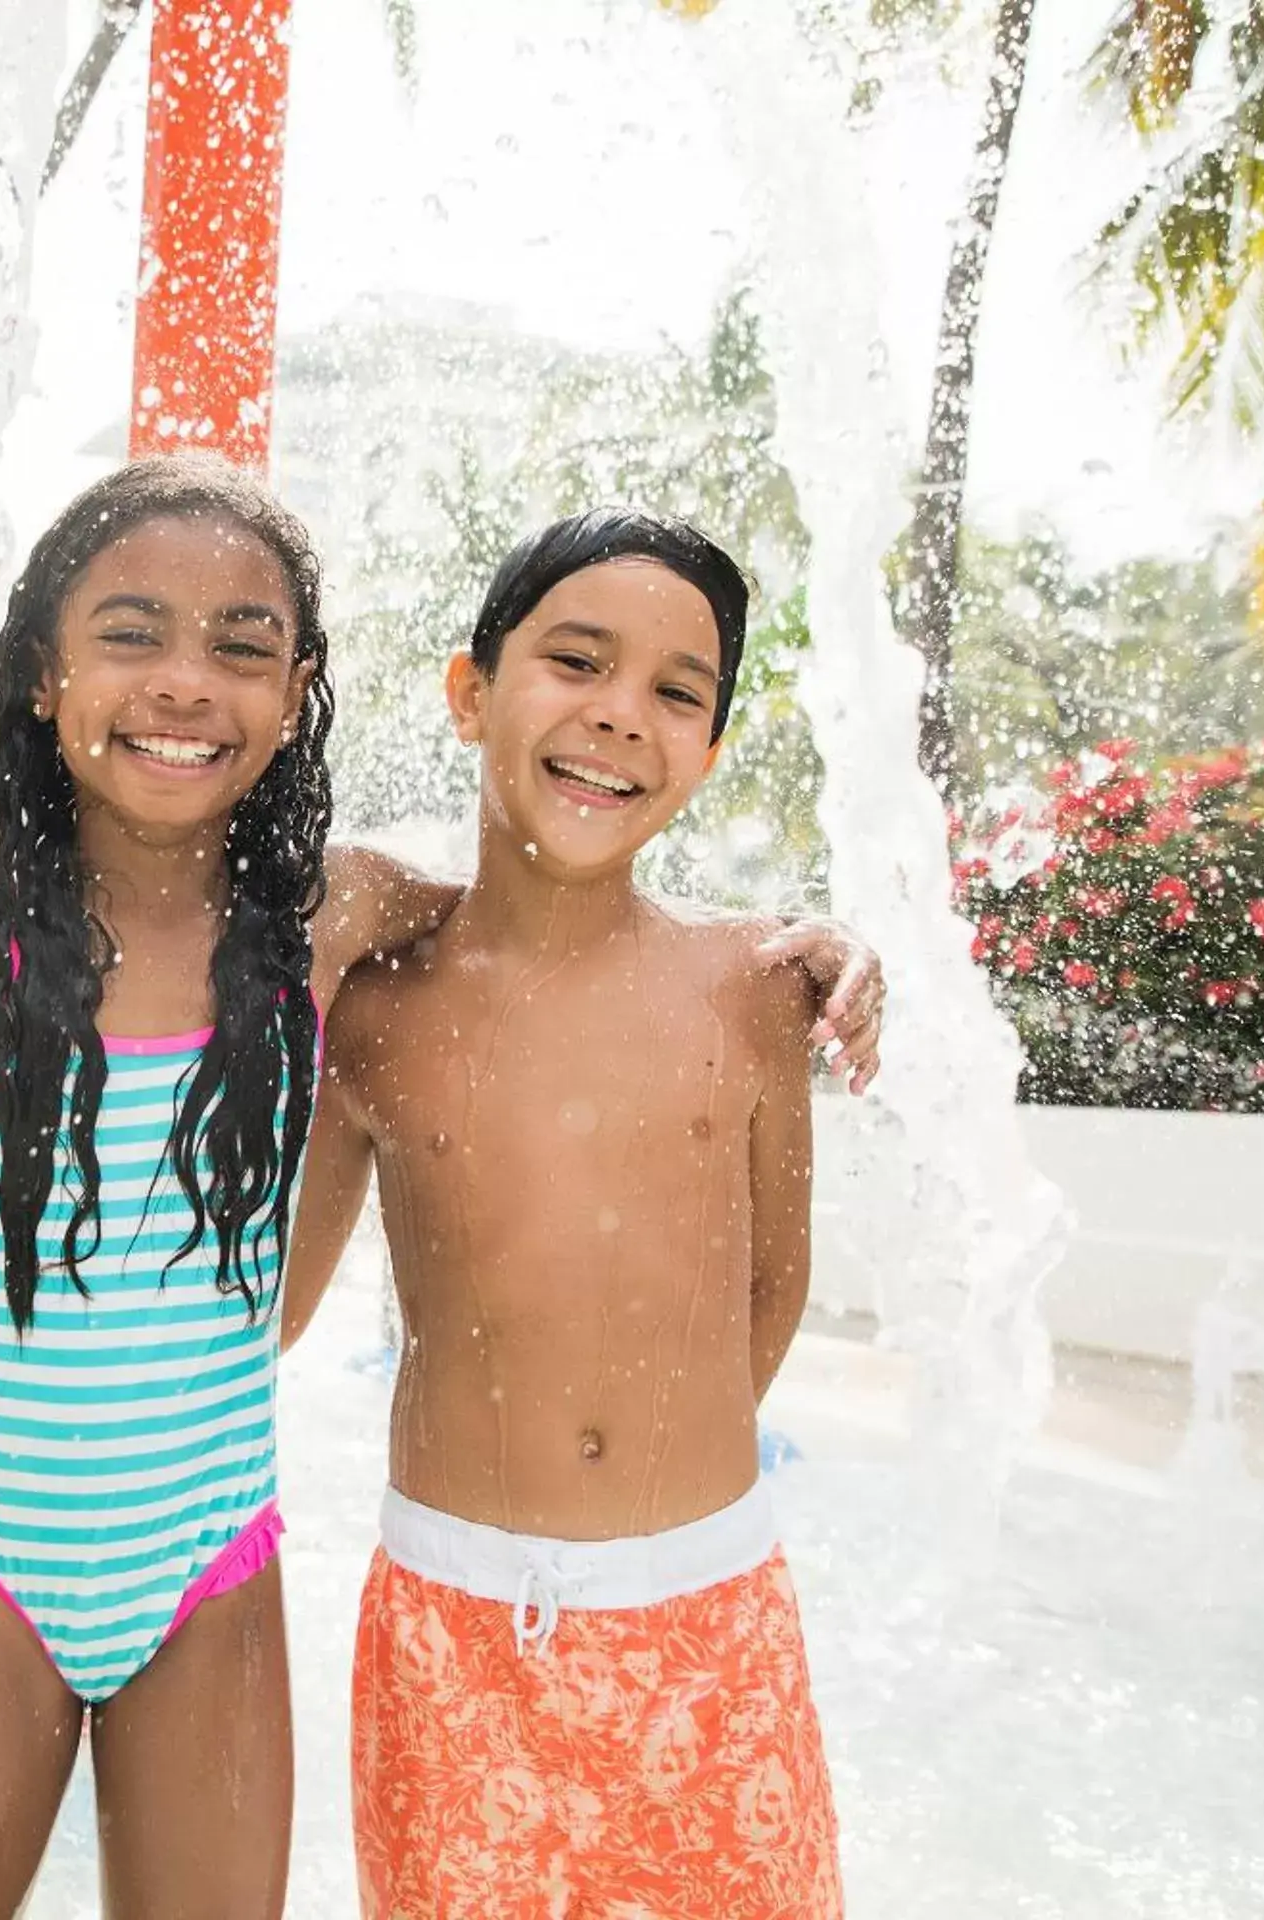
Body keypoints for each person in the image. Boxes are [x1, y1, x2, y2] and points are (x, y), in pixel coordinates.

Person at [0, 461, 881, 1918]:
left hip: (211, 1585)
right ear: (43, 672)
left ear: (297, 689)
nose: (186, 684)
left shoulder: (328, 921)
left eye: (242, 648)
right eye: (131, 633)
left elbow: (536, 923)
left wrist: (815, 944)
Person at [295, 508, 846, 1917]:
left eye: (677, 693)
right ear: (472, 691)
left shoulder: (756, 989)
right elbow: (262, 1306)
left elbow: (770, 1290)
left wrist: (649, 1506)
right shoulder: (375, 1005)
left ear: (713, 750)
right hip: (455, 1634)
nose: (620, 718)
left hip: (712, 1626)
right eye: (577, 662)